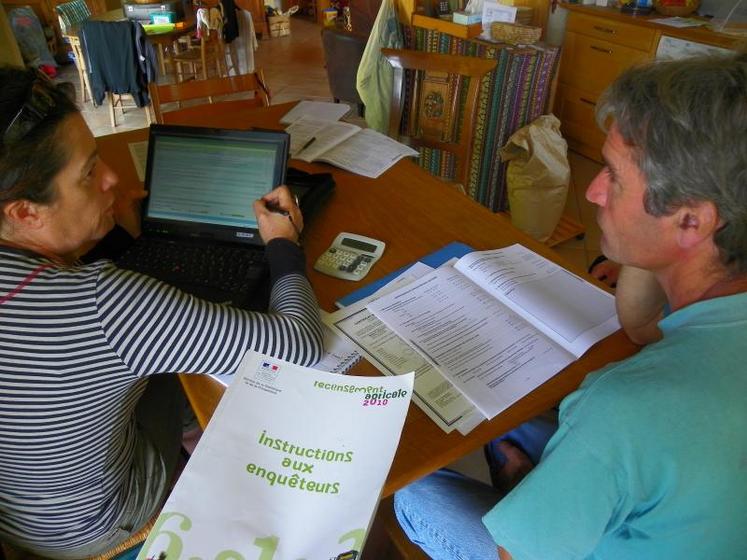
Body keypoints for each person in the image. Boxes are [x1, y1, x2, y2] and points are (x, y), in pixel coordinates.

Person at [394, 52, 747, 559]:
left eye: (614, 176)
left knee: (414, 490)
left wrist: (525, 492)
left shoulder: (622, 406)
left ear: (693, 222)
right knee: (518, 422)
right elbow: (644, 325)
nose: (593, 191)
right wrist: (650, 248)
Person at [0, 67, 324, 557]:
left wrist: (105, 230)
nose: (112, 178)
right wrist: (283, 244)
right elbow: (298, 347)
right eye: (89, 174)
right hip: (95, 523)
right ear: (25, 213)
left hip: (21, 514)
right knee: (191, 368)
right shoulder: (106, 305)